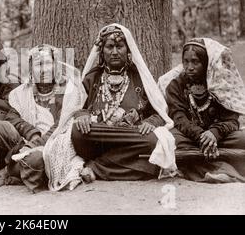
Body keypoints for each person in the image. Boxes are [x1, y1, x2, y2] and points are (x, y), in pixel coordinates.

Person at [70, 23, 176, 181]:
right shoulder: (92, 78)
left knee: (153, 140)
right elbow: (77, 106)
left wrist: (151, 121)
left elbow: (159, 112)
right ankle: (124, 166)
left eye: (119, 46)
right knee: (77, 132)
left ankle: (96, 168)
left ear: (128, 50)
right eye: (109, 47)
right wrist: (82, 114)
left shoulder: (140, 78)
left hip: (130, 140)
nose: (114, 52)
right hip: (99, 138)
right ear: (102, 51)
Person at [0, 44, 86, 192]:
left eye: (48, 63)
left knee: (35, 159)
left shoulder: (67, 90)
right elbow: (12, 118)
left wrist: (36, 145)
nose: (44, 70)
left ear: (55, 66)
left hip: (56, 144)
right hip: (26, 142)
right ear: (30, 69)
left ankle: (10, 171)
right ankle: (21, 168)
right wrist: (32, 134)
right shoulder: (20, 93)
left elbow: (62, 124)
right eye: (38, 65)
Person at [159, 38, 245, 182]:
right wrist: (201, 136)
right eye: (185, 61)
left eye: (195, 62)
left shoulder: (220, 84)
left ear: (206, 63)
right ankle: (223, 170)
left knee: (242, 138)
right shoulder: (176, 85)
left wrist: (214, 133)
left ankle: (212, 168)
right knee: (171, 141)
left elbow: (232, 120)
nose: (189, 67)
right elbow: (178, 117)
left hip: (220, 137)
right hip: (190, 137)